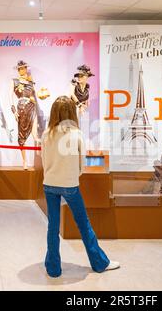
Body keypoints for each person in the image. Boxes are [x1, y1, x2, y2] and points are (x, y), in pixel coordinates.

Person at [41, 96, 120, 278]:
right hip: (70, 184)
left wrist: (53, 176)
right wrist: (71, 177)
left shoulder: (47, 135)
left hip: (49, 184)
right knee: (83, 224)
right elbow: (81, 164)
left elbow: (45, 161)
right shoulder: (76, 134)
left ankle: (53, 268)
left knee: (52, 226)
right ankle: (99, 263)